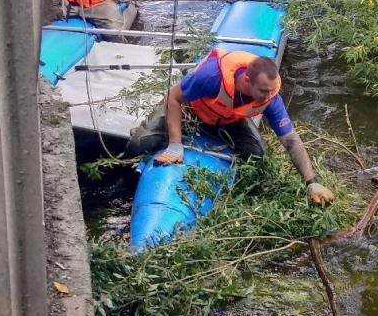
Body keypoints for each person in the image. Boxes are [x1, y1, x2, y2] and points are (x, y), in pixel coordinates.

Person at [127, 48, 336, 205]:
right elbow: (173, 97)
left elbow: (290, 139)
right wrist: (175, 144)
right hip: (191, 110)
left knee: (258, 157)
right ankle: (130, 178)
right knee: (139, 143)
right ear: (247, 81)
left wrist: (311, 181)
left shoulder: (271, 97)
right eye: (264, 91)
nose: (269, 96)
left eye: (272, 91)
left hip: (227, 120)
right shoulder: (211, 76)